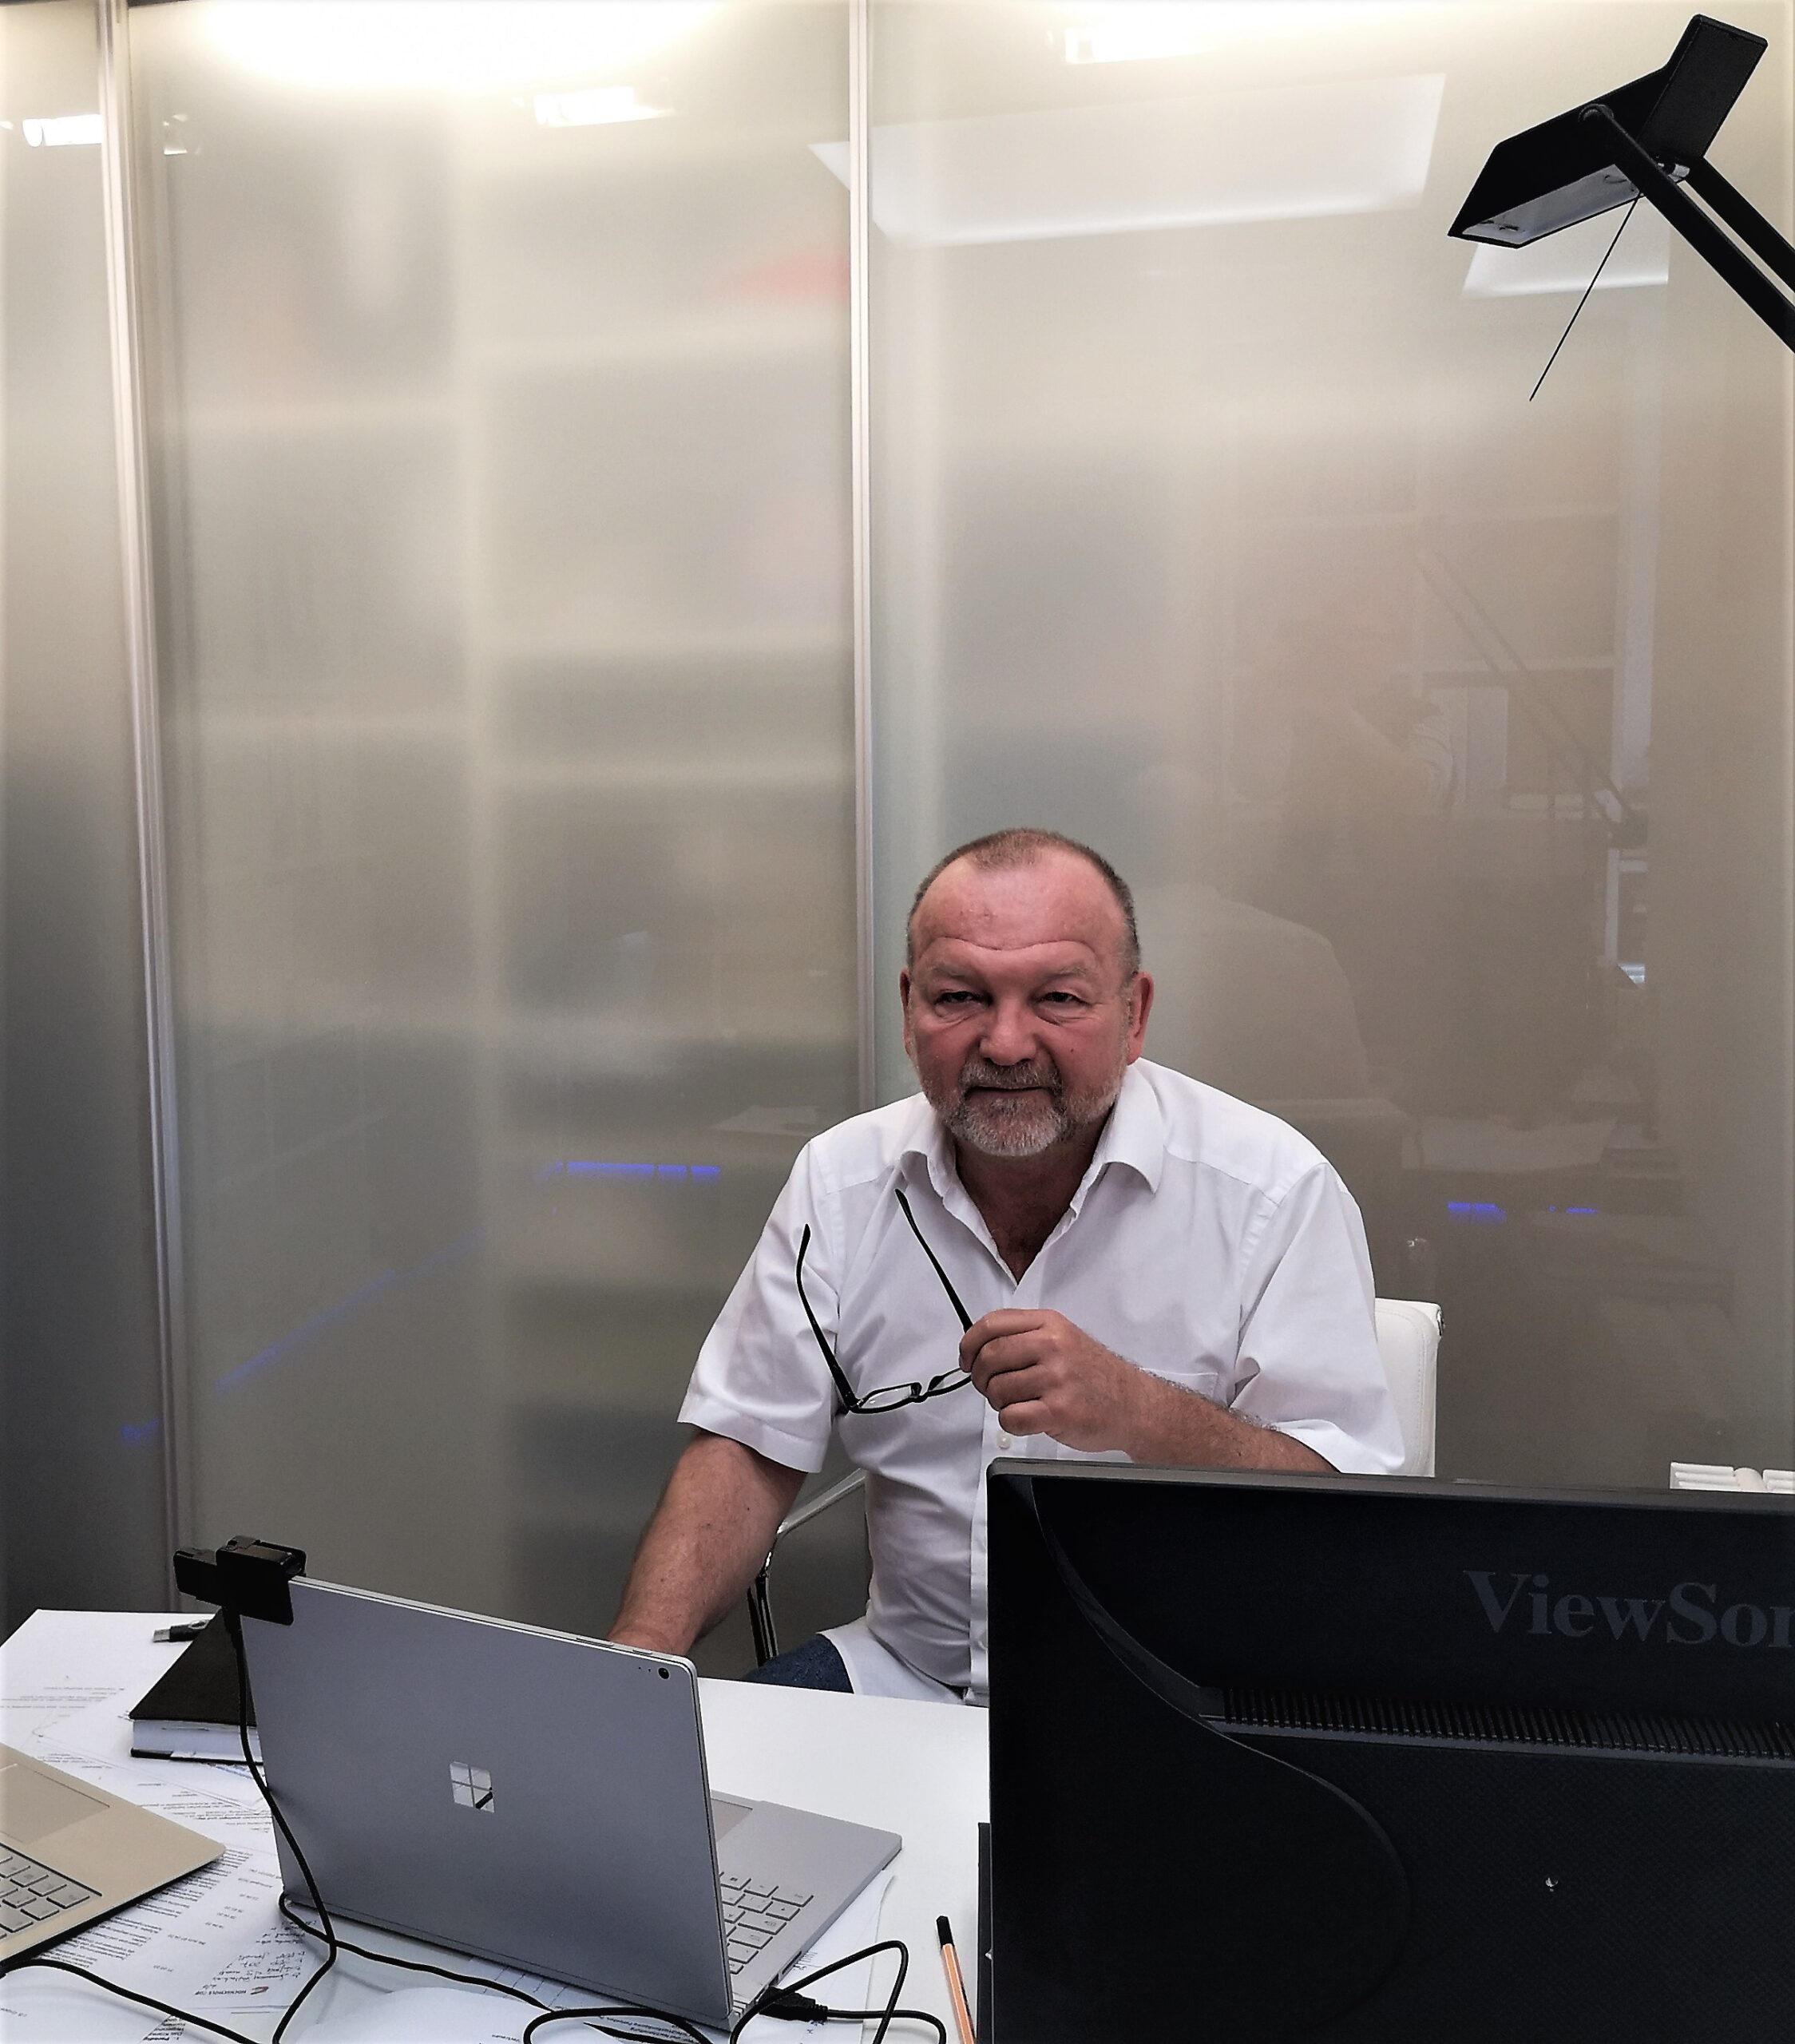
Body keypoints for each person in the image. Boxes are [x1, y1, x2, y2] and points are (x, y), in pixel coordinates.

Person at [608, 829, 1403, 1701]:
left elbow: (1345, 1519)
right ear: (910, 1009)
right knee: (676, 1816)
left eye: (1058, 996)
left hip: (1183, 1702)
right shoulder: (840, 1182)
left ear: (1132, 1014)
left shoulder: (1270, 1192)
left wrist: (1136, 1409)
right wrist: (631, 1672)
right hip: (906, 1679)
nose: (1007, 1040)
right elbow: (747, 1447)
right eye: (961, 997)